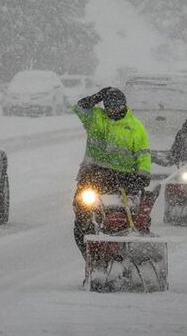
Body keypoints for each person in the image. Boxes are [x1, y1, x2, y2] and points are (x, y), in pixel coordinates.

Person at [71, 86, 151, 256]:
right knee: (82, 216)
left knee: (124, 216)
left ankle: (124, 250)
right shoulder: (95, 118)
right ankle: (91, 258)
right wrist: (96, 96)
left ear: (124, 105)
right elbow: (79, 107)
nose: (113, 110)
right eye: (109, 106)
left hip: (122, 180)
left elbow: (143, 155)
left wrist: (142, 175)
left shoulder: (135, 127)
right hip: (92, 176)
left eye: (117, 106)